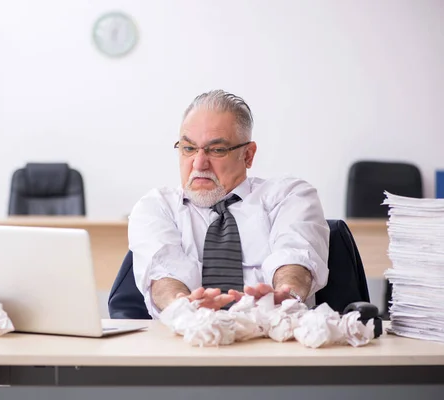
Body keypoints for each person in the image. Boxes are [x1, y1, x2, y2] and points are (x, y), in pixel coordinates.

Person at [128, 90, 330, 319]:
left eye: (216, 150)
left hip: (274, 334)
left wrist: (286, 295)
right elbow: (163, 274)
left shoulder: (289, 196)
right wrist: (181, 306)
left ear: (248, 155)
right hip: (188, 339)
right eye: (188, 148)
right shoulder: (157, 206)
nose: (199, 163)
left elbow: (294, 257)